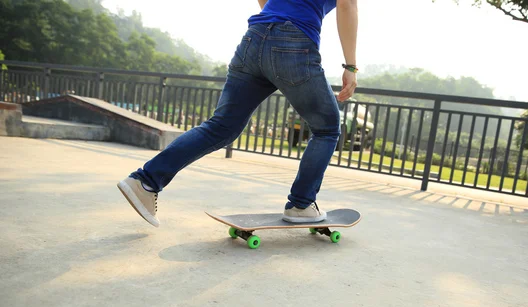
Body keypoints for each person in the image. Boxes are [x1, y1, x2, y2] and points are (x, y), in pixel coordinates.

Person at [117, 0, 359, 227]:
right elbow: (347, 4)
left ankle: (145, 181)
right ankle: (301, 204)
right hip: (294, 44)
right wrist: (350, 66)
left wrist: (276, 24)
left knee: (221, 126)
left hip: (254, 37)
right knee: (327, 128)